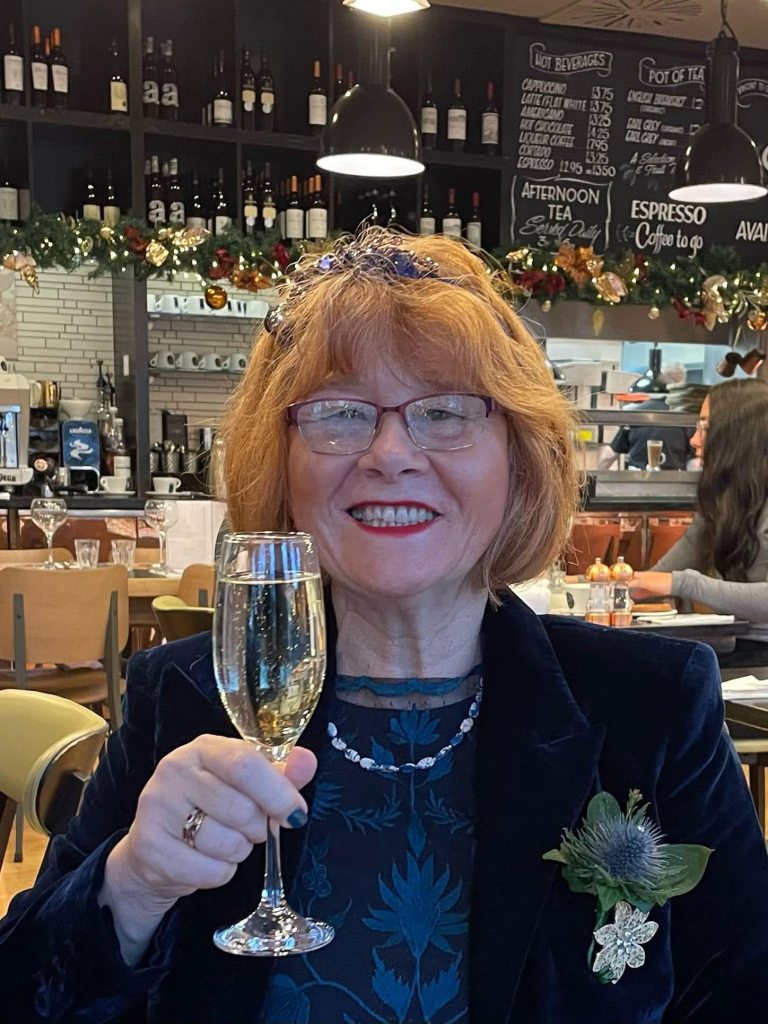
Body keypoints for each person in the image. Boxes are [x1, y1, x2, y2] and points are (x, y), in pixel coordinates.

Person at [1, 229, 767, 1024]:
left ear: (519, 459)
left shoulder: (651, 706)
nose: (391, 453)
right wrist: (131, 885)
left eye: (445, 411)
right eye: (340, 413)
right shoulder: (182, 699)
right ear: (281, 461)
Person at [632, 377, 768, 668]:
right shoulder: (724, 499)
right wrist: (609, 586)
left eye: (705, 427)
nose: (694, 440)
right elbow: (661, 575)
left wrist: (681, 583)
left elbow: (674, 579)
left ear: (738, 433)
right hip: (734, 649)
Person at [596, 363, 697, 472]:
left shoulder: (635, 414)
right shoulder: (686, 417)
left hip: (637, 478)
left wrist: (598, 478)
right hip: (674, 478)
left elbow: (608, 456)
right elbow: (695, 462)